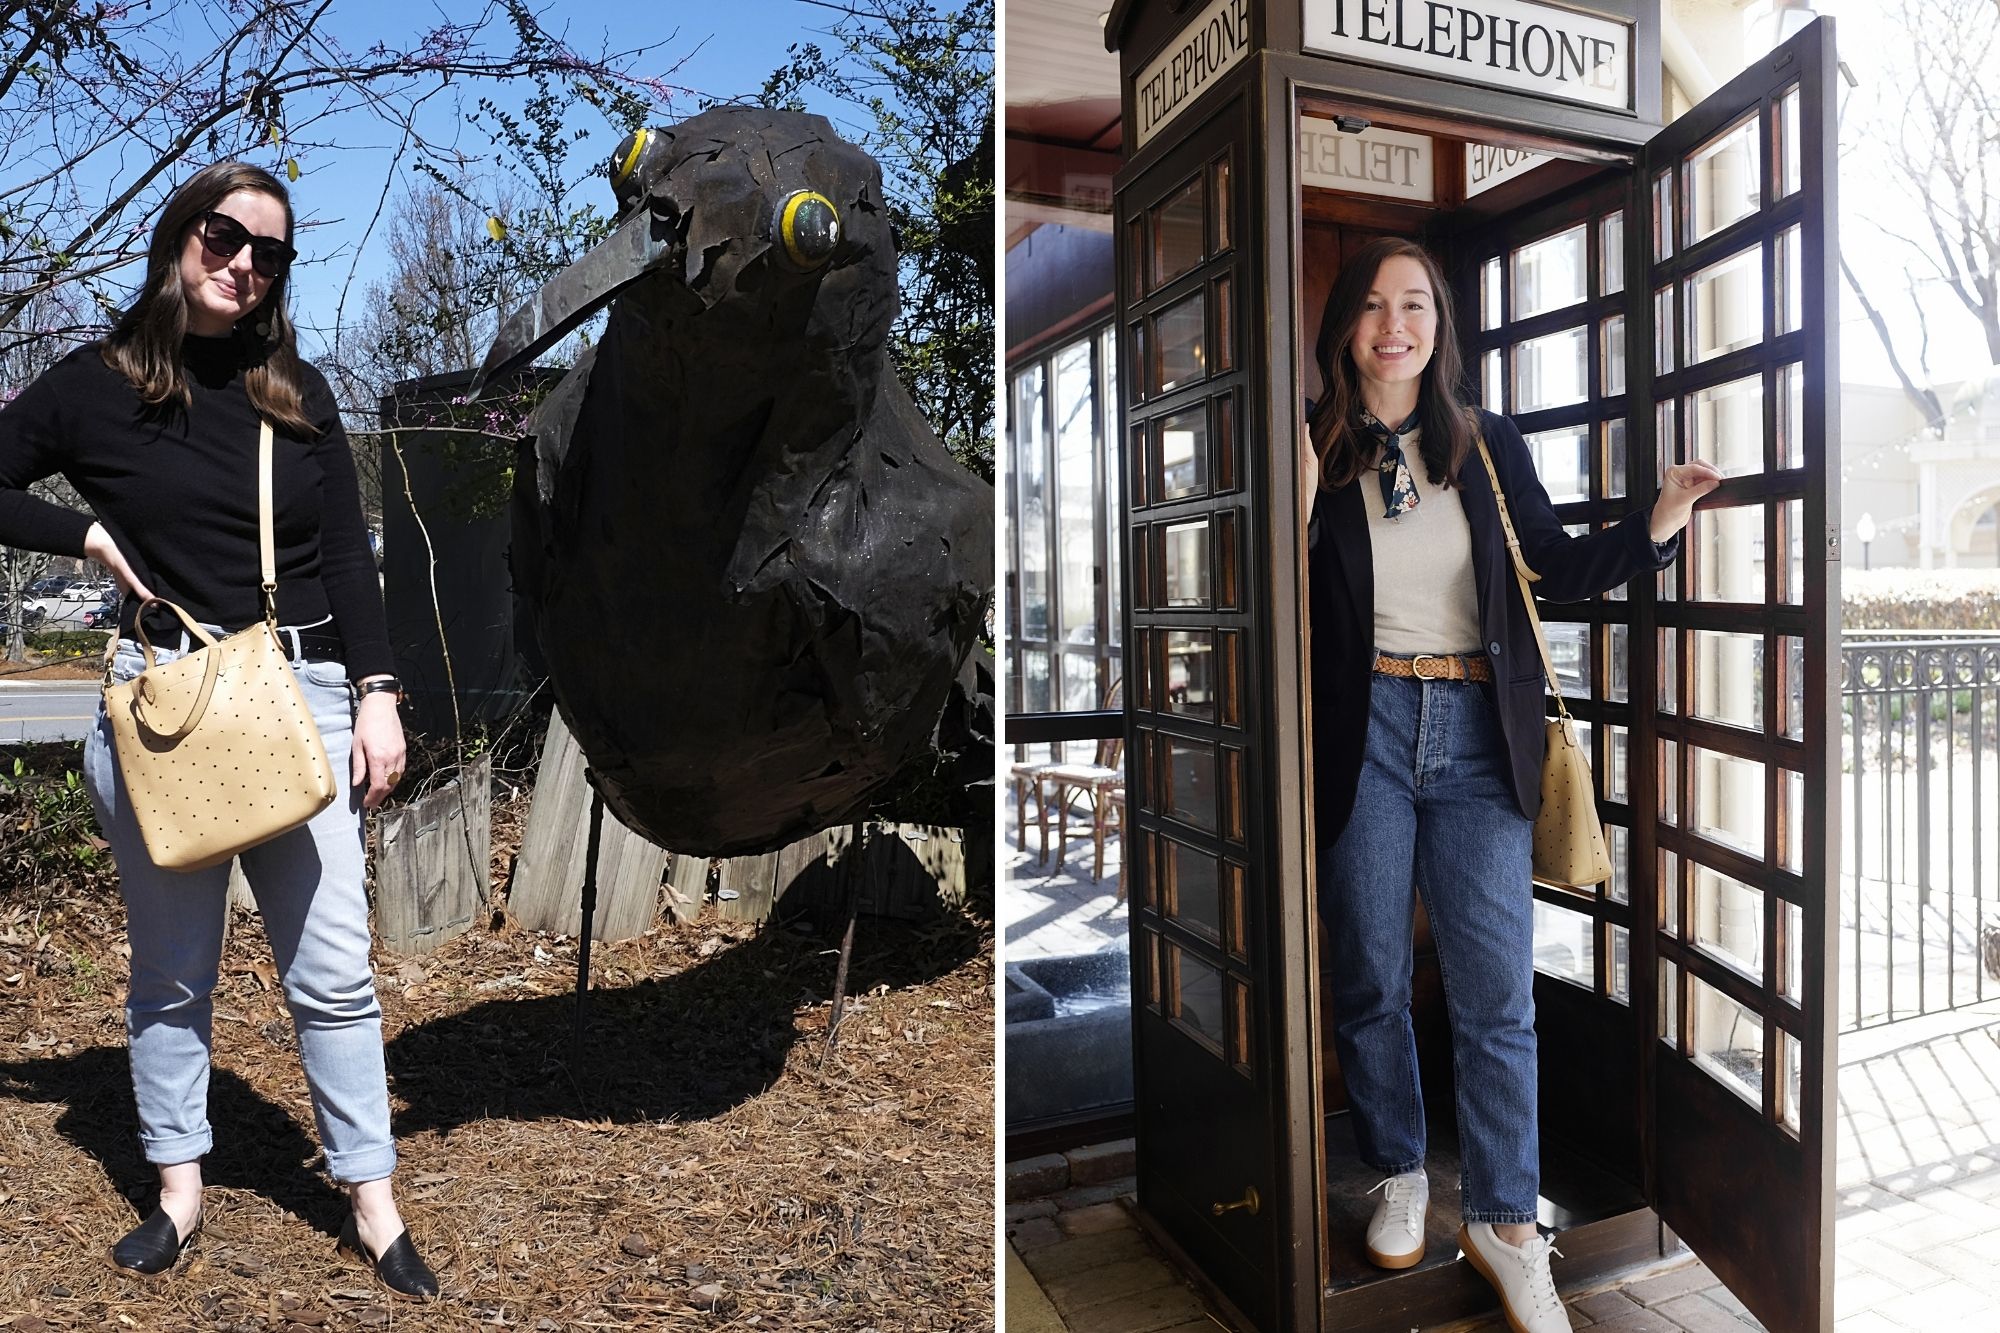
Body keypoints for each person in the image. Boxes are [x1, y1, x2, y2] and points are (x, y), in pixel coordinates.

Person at [0, 162, 437, 1298]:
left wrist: (380, 690)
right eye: (223, 235)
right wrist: (81, 536)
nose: (243, 262)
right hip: (164, 708)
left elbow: (347, 550)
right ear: (178, 236)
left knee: (334, 971)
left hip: (301, 698)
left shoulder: (294, 389)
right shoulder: (91, 389)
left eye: (271, 253)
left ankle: (374, 1199)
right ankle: (179, 1187)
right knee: (171, 975)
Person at [1303, 237, 1720, 1332]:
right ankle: (1396, 1167)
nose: (1394, 325)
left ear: (1438, 326)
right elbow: (1269, 591)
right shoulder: (1314, 448)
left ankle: (1502, 1221)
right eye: (1374, 307)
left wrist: (1655, 524)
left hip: (1481, 728)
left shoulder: (1484, 446)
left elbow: (1552, 566)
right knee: (1369, 972)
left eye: (1415, 306)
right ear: (1345, 323)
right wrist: (1297, 491)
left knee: (1495, 992)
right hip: (1364, 729)